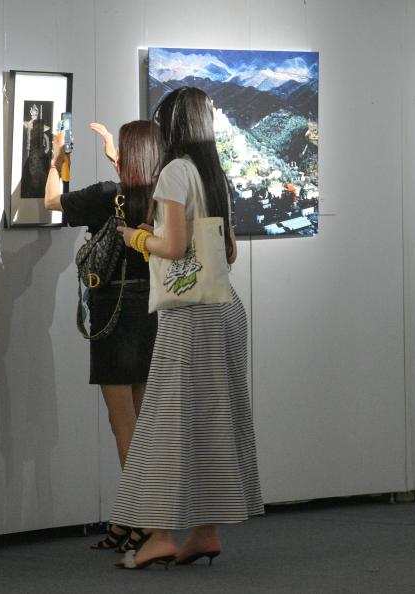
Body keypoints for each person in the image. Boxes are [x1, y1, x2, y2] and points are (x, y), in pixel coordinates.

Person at [112, 87, 263, 569]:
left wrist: (136, 238)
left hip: (189, 317)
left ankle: (160, 535)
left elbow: (174, 248)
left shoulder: (175, 172)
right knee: (212, 423)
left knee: (165, 424)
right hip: (224, 309)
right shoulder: (213, 174)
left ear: (172, 125)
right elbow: (228, 250)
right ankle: (204, 531)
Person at [44, 120, 162, 552]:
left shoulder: (105, 195)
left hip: (112, 310)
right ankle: (128, 519)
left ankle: (143, 520)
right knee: (139, 422)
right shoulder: (158, 198)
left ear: (125, 157)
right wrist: (120, 157)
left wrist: (56, 158)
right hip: (149, 309)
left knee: (122, 423)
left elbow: (52, 200)